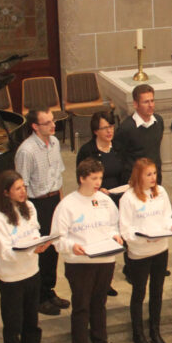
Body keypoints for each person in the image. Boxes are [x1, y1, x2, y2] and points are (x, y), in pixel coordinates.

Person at [52, 158, 125, 343]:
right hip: (80, 263)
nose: (98, 182)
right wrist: (71, 246)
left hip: (105, 259)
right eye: (93, 178)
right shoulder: (67, 205)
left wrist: (116, 236)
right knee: (82, 306)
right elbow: (57, 239)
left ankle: (100, 342)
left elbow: (113, 225)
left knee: (99, 303)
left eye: (100, 178)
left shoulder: (104, 200)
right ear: (82, 178)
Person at [0, 170, 53, 343]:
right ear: (6, 192)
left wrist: (41, 243)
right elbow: (6, 253)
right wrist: (30, 250)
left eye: (24, 187)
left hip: (32, 272)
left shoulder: (30, 208)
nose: (23, 191)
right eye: (18, 188)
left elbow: (34, 233)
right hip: (12, 278)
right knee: (13, 323)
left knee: (31, 319)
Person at [119, 158, 172, 343]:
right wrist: (142, 239)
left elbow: (167, 218)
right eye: (149, 174)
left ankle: (155, 330)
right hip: (140, 252)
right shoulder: (128, 198)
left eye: (154, 173)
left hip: (160, 249)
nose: (153, 178)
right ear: (138, 176)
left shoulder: (161, 192)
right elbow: (125, 230)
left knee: (157, 291)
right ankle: (138, 335)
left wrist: (171, 228)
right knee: (139, 293)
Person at [14, 106, 68, 317]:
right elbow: (22, 186)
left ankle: (49, 289)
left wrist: (61, 204)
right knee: (41, 249)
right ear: (35, 127)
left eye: (53, 121)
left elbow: (58, 176)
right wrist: (26, 216)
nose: (54, 125)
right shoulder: (26, 151)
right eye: (48, 123)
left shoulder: (54, 143)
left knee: (53, 247)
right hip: (36, 204)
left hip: (54, 200)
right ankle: (39, 297)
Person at [76, 111, 126, 296]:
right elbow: (81, 177)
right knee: (101, 238)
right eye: (105, 128)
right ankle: (99, 283)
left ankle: (107, 281)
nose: (109, 131)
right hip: (96, 200)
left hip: (119, 197)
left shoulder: (118, 147)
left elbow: (125, 170)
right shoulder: (87, 151)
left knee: (117, 238)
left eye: (111, 127)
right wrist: (99, 190)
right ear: (96, 131)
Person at [115, 83, 164, 182]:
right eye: (146, 102)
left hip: (155, 178)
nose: (150, 105)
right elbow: (119, 157)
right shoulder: (126, 128)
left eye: (152, 101)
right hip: (135, 180)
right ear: (135, 104)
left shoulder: (158, 121)